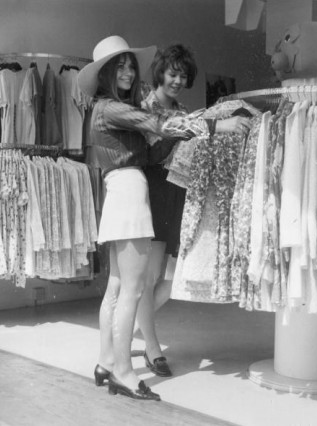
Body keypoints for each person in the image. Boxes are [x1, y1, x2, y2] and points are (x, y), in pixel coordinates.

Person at [77, 35, 252, 402]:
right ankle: (123, 371)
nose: (126, 70)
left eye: (129, 64)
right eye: (118, 66)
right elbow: (160, 125)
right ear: (105, 73)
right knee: (132, 290)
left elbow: (155, 143)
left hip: (124, 190)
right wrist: (217, 126)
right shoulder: (111, 107)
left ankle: (106, 361)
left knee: (119, 288)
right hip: (128, 191)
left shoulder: (112, 108)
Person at [135, 44, 198, 377]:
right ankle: (152, 347)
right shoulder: (146, 106)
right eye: (173, 73)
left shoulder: (183, 108)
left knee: (173, 279)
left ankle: (134, 322)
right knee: (149, 277)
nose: (177, 80)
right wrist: (179, 133)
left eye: (183, 75)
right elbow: (149, 155)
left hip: (178, 191)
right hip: (154, 188)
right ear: (161, 72)